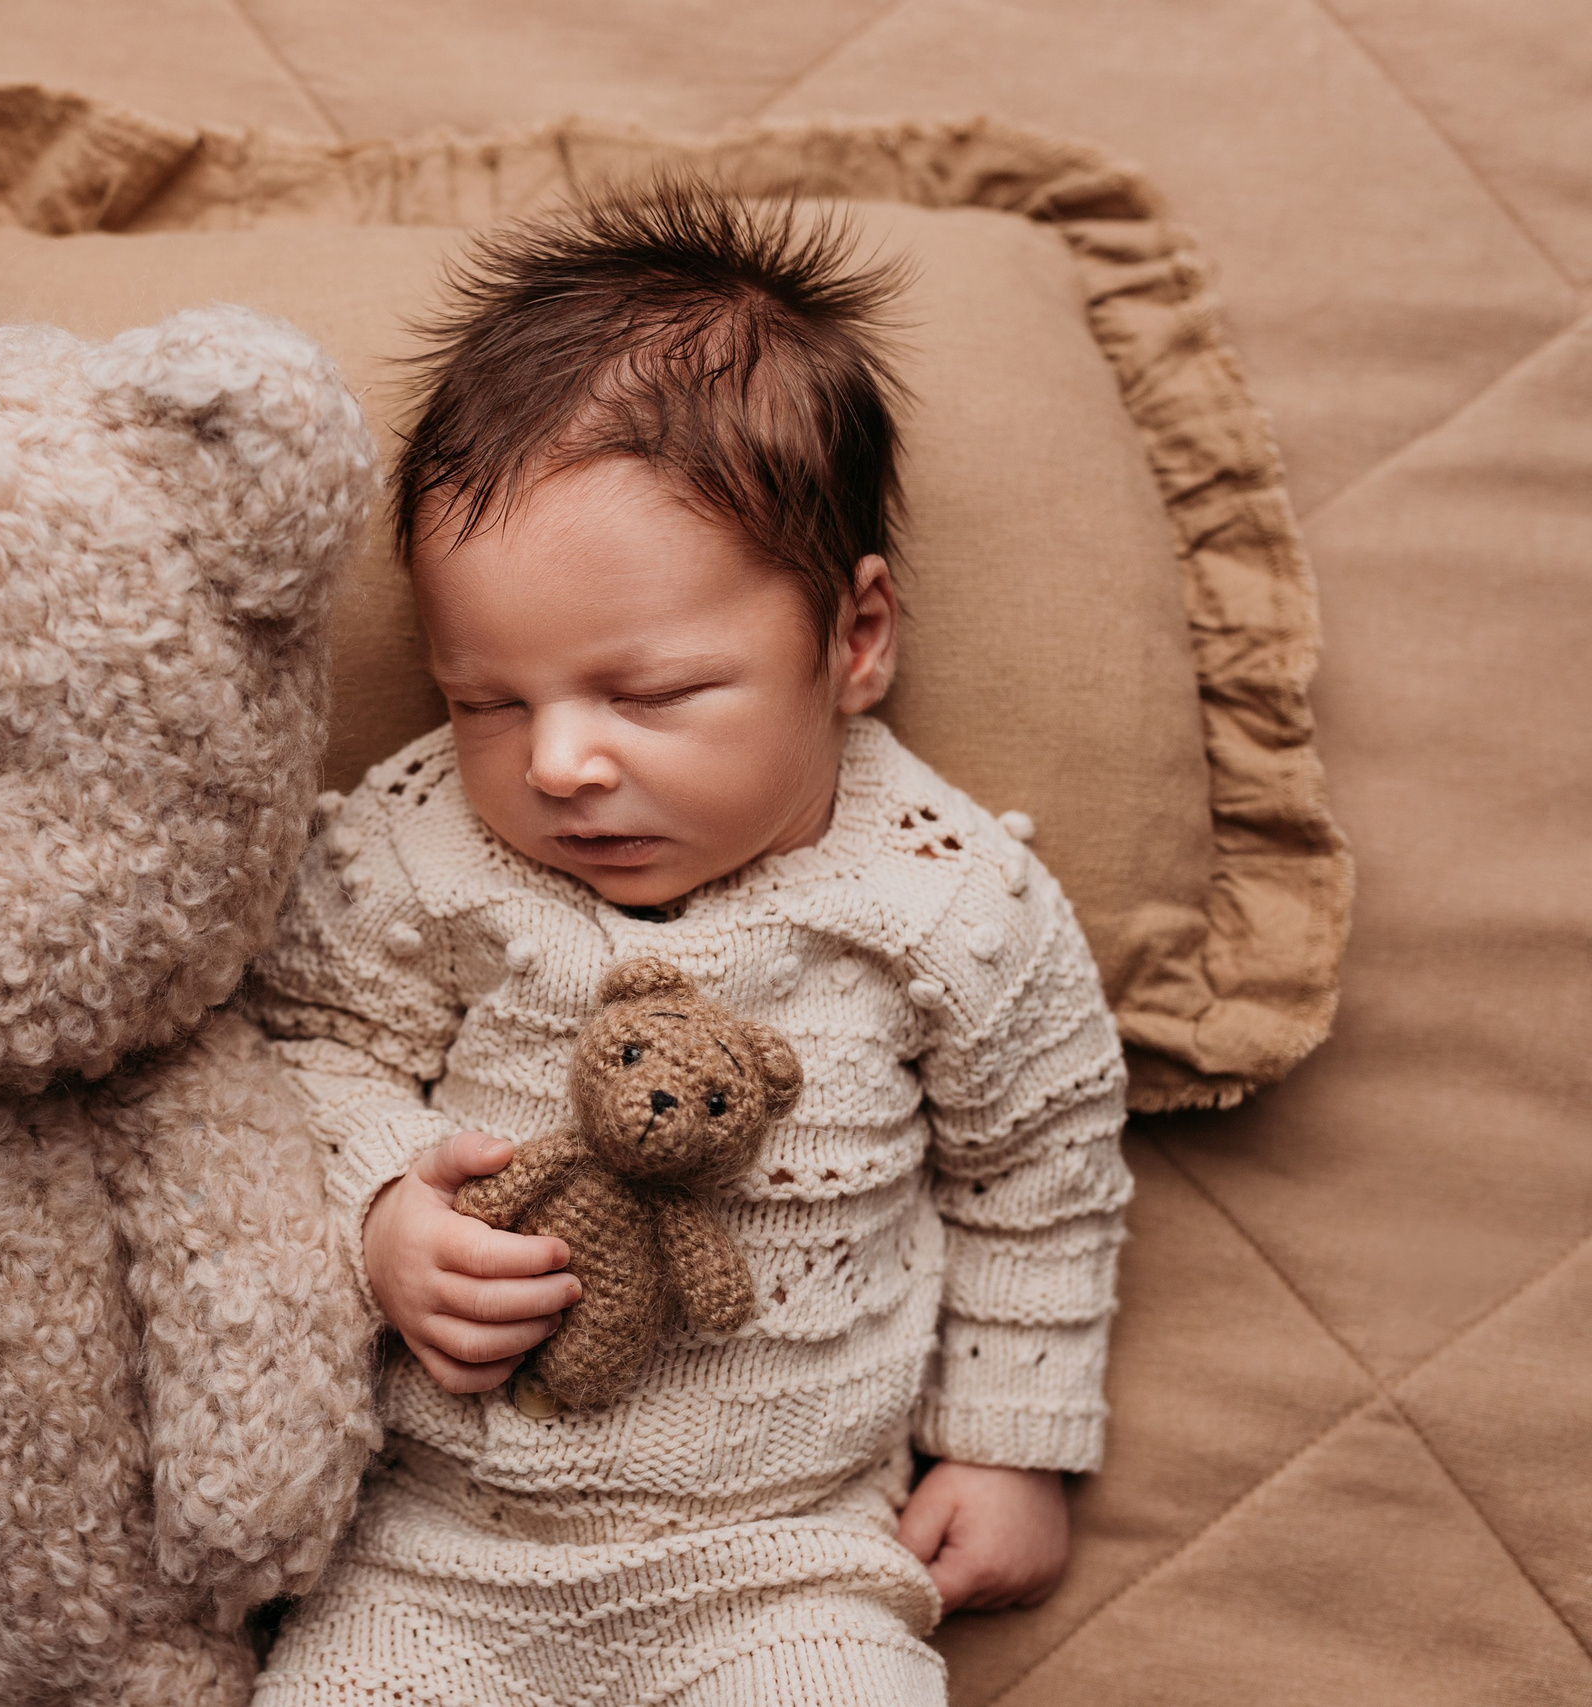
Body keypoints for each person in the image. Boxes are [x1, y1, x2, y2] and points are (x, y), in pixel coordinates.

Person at [245, 183, 1131, 1706]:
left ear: (854, 641)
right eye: (486, 700)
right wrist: (384, 1210)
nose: (559, 763)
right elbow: (296, 1054)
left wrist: (1009, 1445)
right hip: (430, 1547)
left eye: (647, 695)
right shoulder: (415, 851)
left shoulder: (948, 900)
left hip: (785, 1560)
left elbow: (1040, 1172)